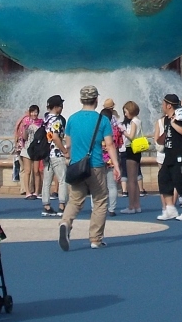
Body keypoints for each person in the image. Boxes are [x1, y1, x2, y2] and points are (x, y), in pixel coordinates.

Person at [58, 85, 119, 250]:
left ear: (81, 100)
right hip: (96, 166)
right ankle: (95, 239)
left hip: (77, 166)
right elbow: (110, 144)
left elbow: (68, 144)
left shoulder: (72, 119)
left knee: (75, 200)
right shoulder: (102, 120)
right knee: (100, 200)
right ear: (96, 100)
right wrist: (116, 165)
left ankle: (65, 223)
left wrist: (68, 155)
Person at [156, 95, 182, 220]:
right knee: (163, 179)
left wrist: (173, 124)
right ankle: (170, 209)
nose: (162, 106)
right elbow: (167, 133)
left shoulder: (180, 117)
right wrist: (161, 138)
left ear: (169, 105)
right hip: (169, 154)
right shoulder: (167, 119)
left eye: (163, 103)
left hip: (181, 155)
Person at [39, 96, 68, 217]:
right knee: (62, 180)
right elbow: (56, 137)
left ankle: (46, 206)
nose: (62, 108)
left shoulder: (45, 118)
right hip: (56, 153)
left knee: (47, 181)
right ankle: (62, 205)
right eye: (61, 105)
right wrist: (64, 150)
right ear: (56, 107)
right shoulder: (57, 120)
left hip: (47, 154)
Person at [14, 104, 43, 199]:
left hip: (37, 149)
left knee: (36, 171)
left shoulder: (41, 122)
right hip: (27, 148)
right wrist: (26, 128)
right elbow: (24, 137)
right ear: (29, 112)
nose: (34, 114)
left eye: (36, 112)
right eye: (32, 112)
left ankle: (36, 192)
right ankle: (27, 192)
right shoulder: (26, 122)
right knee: (27, 171)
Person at [119, 100, 143, 213]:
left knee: (131, 179)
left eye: (125, 111)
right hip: (137, 151)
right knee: (134, 179)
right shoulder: (138, 120)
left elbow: (132, 136)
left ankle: (131, 206)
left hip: (131, 150)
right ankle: (137, 205)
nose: (125, 114)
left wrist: (123, 131)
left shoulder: (134, 122)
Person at [101, 99, 122, 216]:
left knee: (99, 186)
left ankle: (96, 207)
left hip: (99, 159)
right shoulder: (115, 126)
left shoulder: (98, 127)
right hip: (111, 159)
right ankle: (112, 209)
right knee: (112, 185)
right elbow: (117, 143)